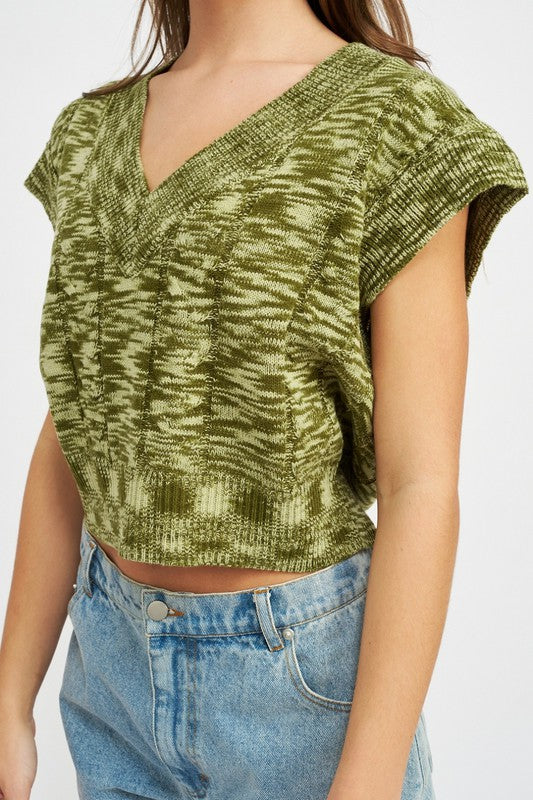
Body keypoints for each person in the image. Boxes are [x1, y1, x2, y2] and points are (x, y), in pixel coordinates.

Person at [0, 0, 528, 798]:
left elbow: (419, 483)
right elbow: (75, 428)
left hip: (302, 698)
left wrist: (368, 781)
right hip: (111, 678)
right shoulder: (90, 134)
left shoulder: (395, 123)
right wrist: (11, 699)